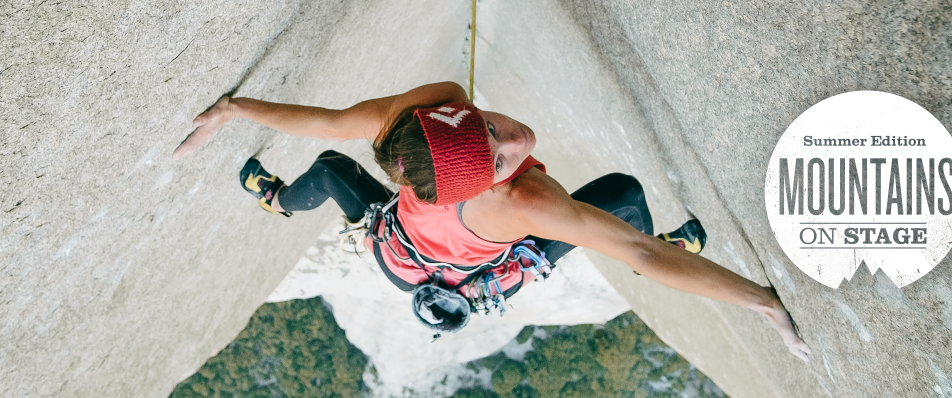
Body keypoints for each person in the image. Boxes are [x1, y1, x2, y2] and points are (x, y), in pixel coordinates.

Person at [173, 81, 811, 361]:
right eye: (500, 160)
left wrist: (234, 108)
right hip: (469, 267)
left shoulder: (420, 117)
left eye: (489, 130)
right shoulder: (525, 203)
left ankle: (281, 200)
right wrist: (762, 302)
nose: (516, 139)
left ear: (449, 121)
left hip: (408, 256)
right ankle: (276, 201)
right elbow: (640, 256)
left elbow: (328, 119)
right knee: (622, 198)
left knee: (335, 168)